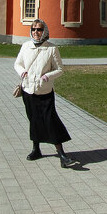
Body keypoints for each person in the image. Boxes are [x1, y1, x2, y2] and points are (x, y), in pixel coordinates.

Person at [14, 20, 78, 168]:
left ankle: (62, 154)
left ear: (45, 31)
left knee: (51, 120)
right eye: (34, 29)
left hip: (45, 91)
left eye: (39, 29)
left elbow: (60, 69)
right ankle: (36, 149)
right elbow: (18, 63)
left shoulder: (51, 49)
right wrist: (22, 72)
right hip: (28, 89)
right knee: (33, 119)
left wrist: (47, 77)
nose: (36, 32)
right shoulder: (26, 46)